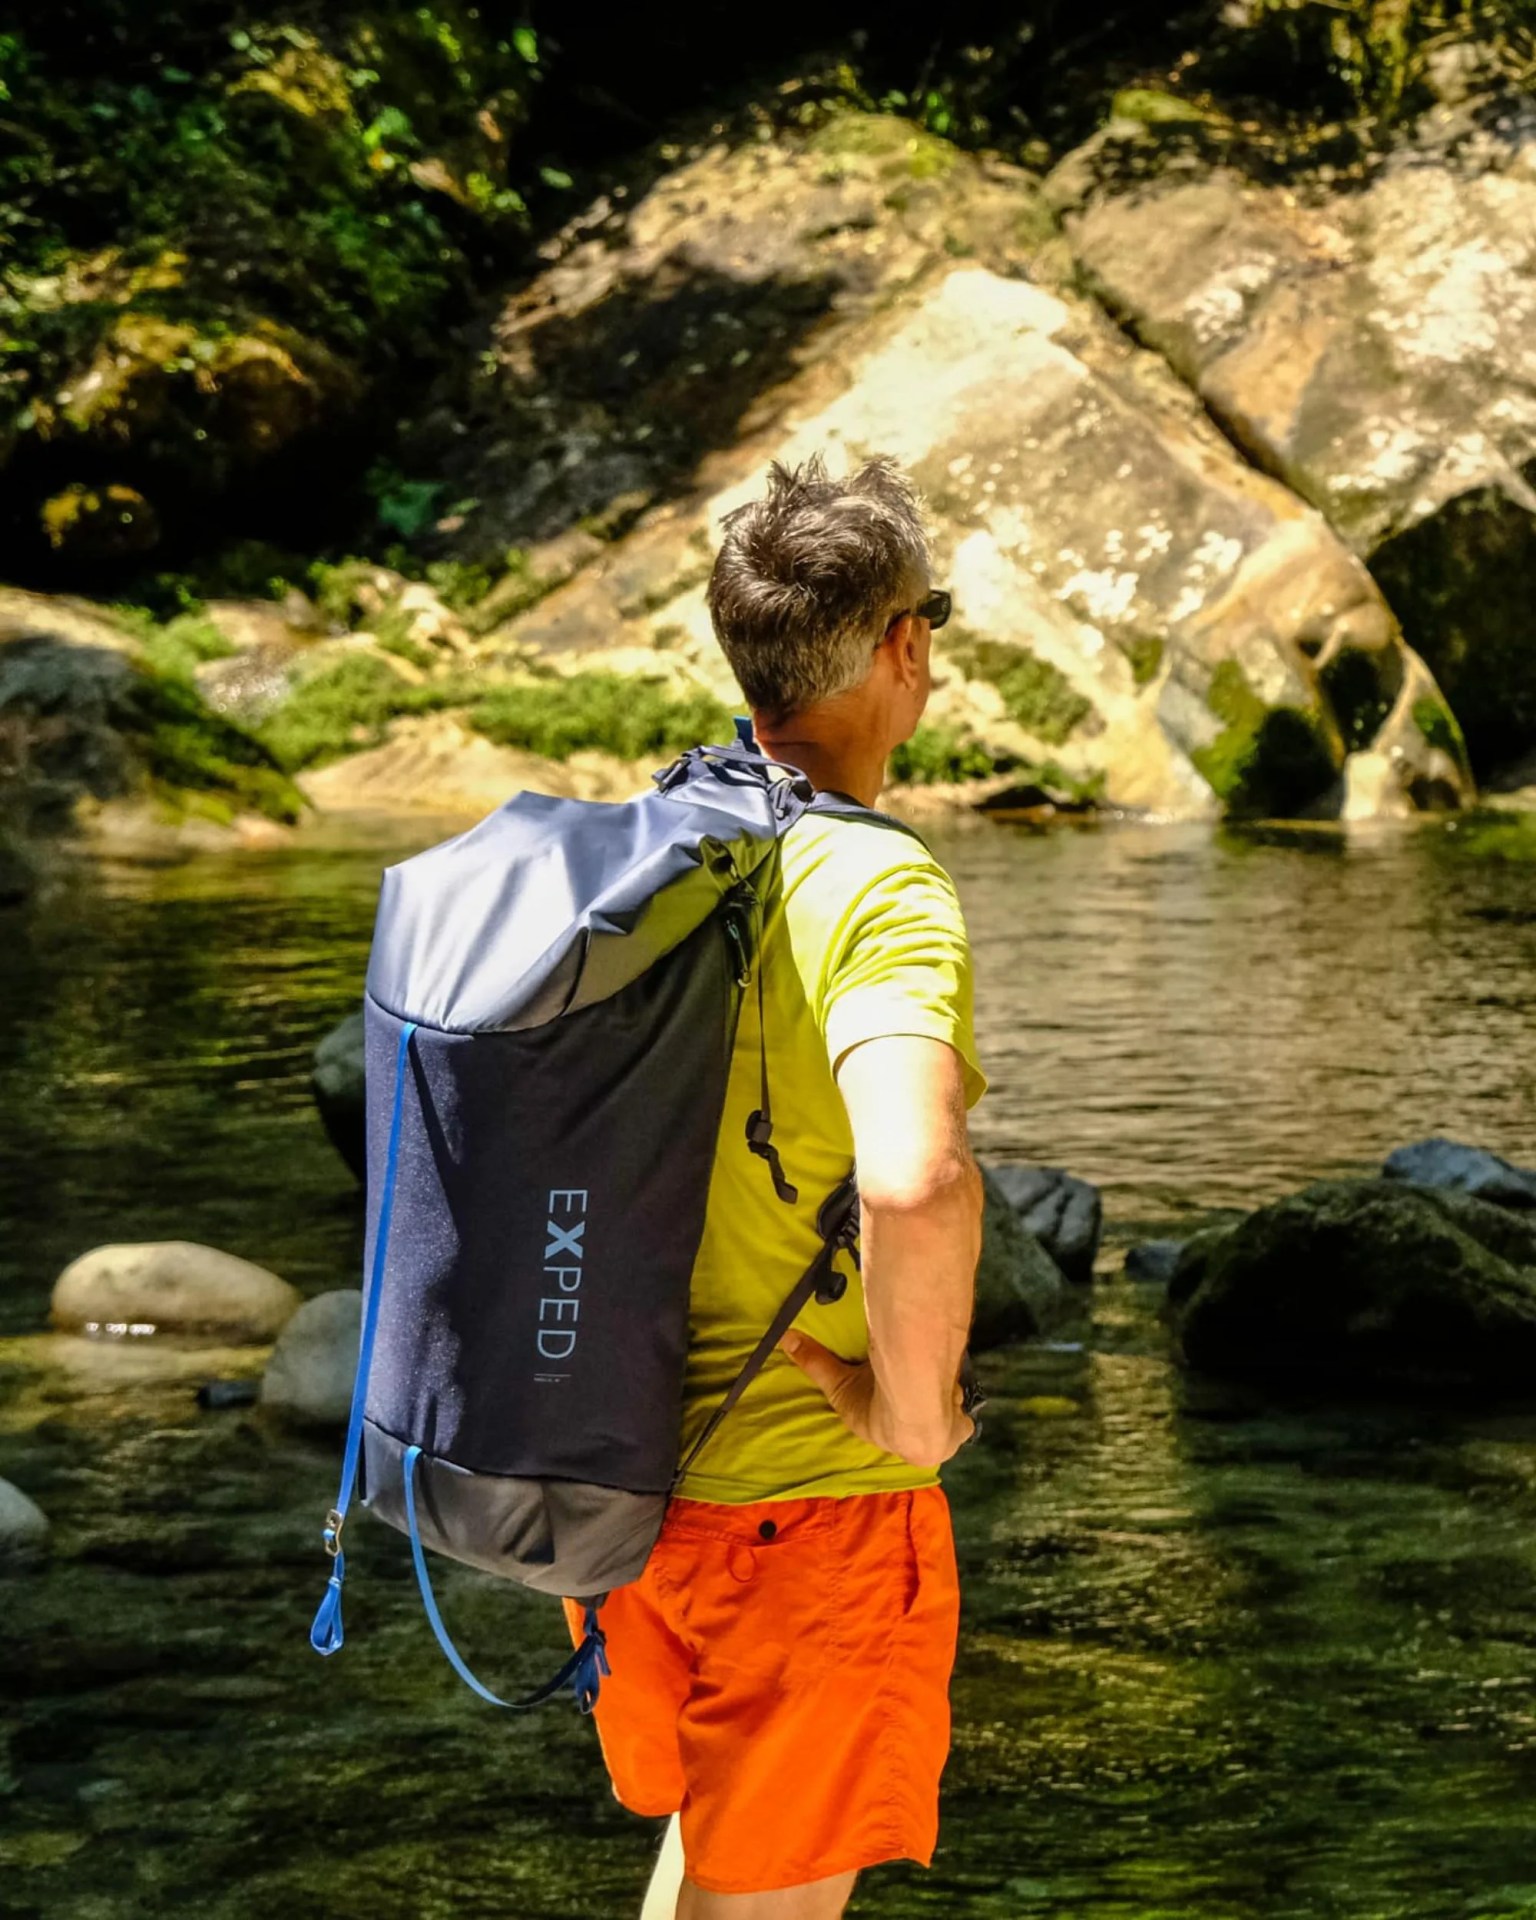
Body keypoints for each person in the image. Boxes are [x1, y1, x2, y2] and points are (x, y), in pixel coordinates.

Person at [565, 454, 986, 1919]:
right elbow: (918, 1180)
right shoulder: (877, 887)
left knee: (711, 1852)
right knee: (774, 1899)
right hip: (809, 1511)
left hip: (619, 1493)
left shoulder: (655, 845)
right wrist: (917, 1413)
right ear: (904, 645)